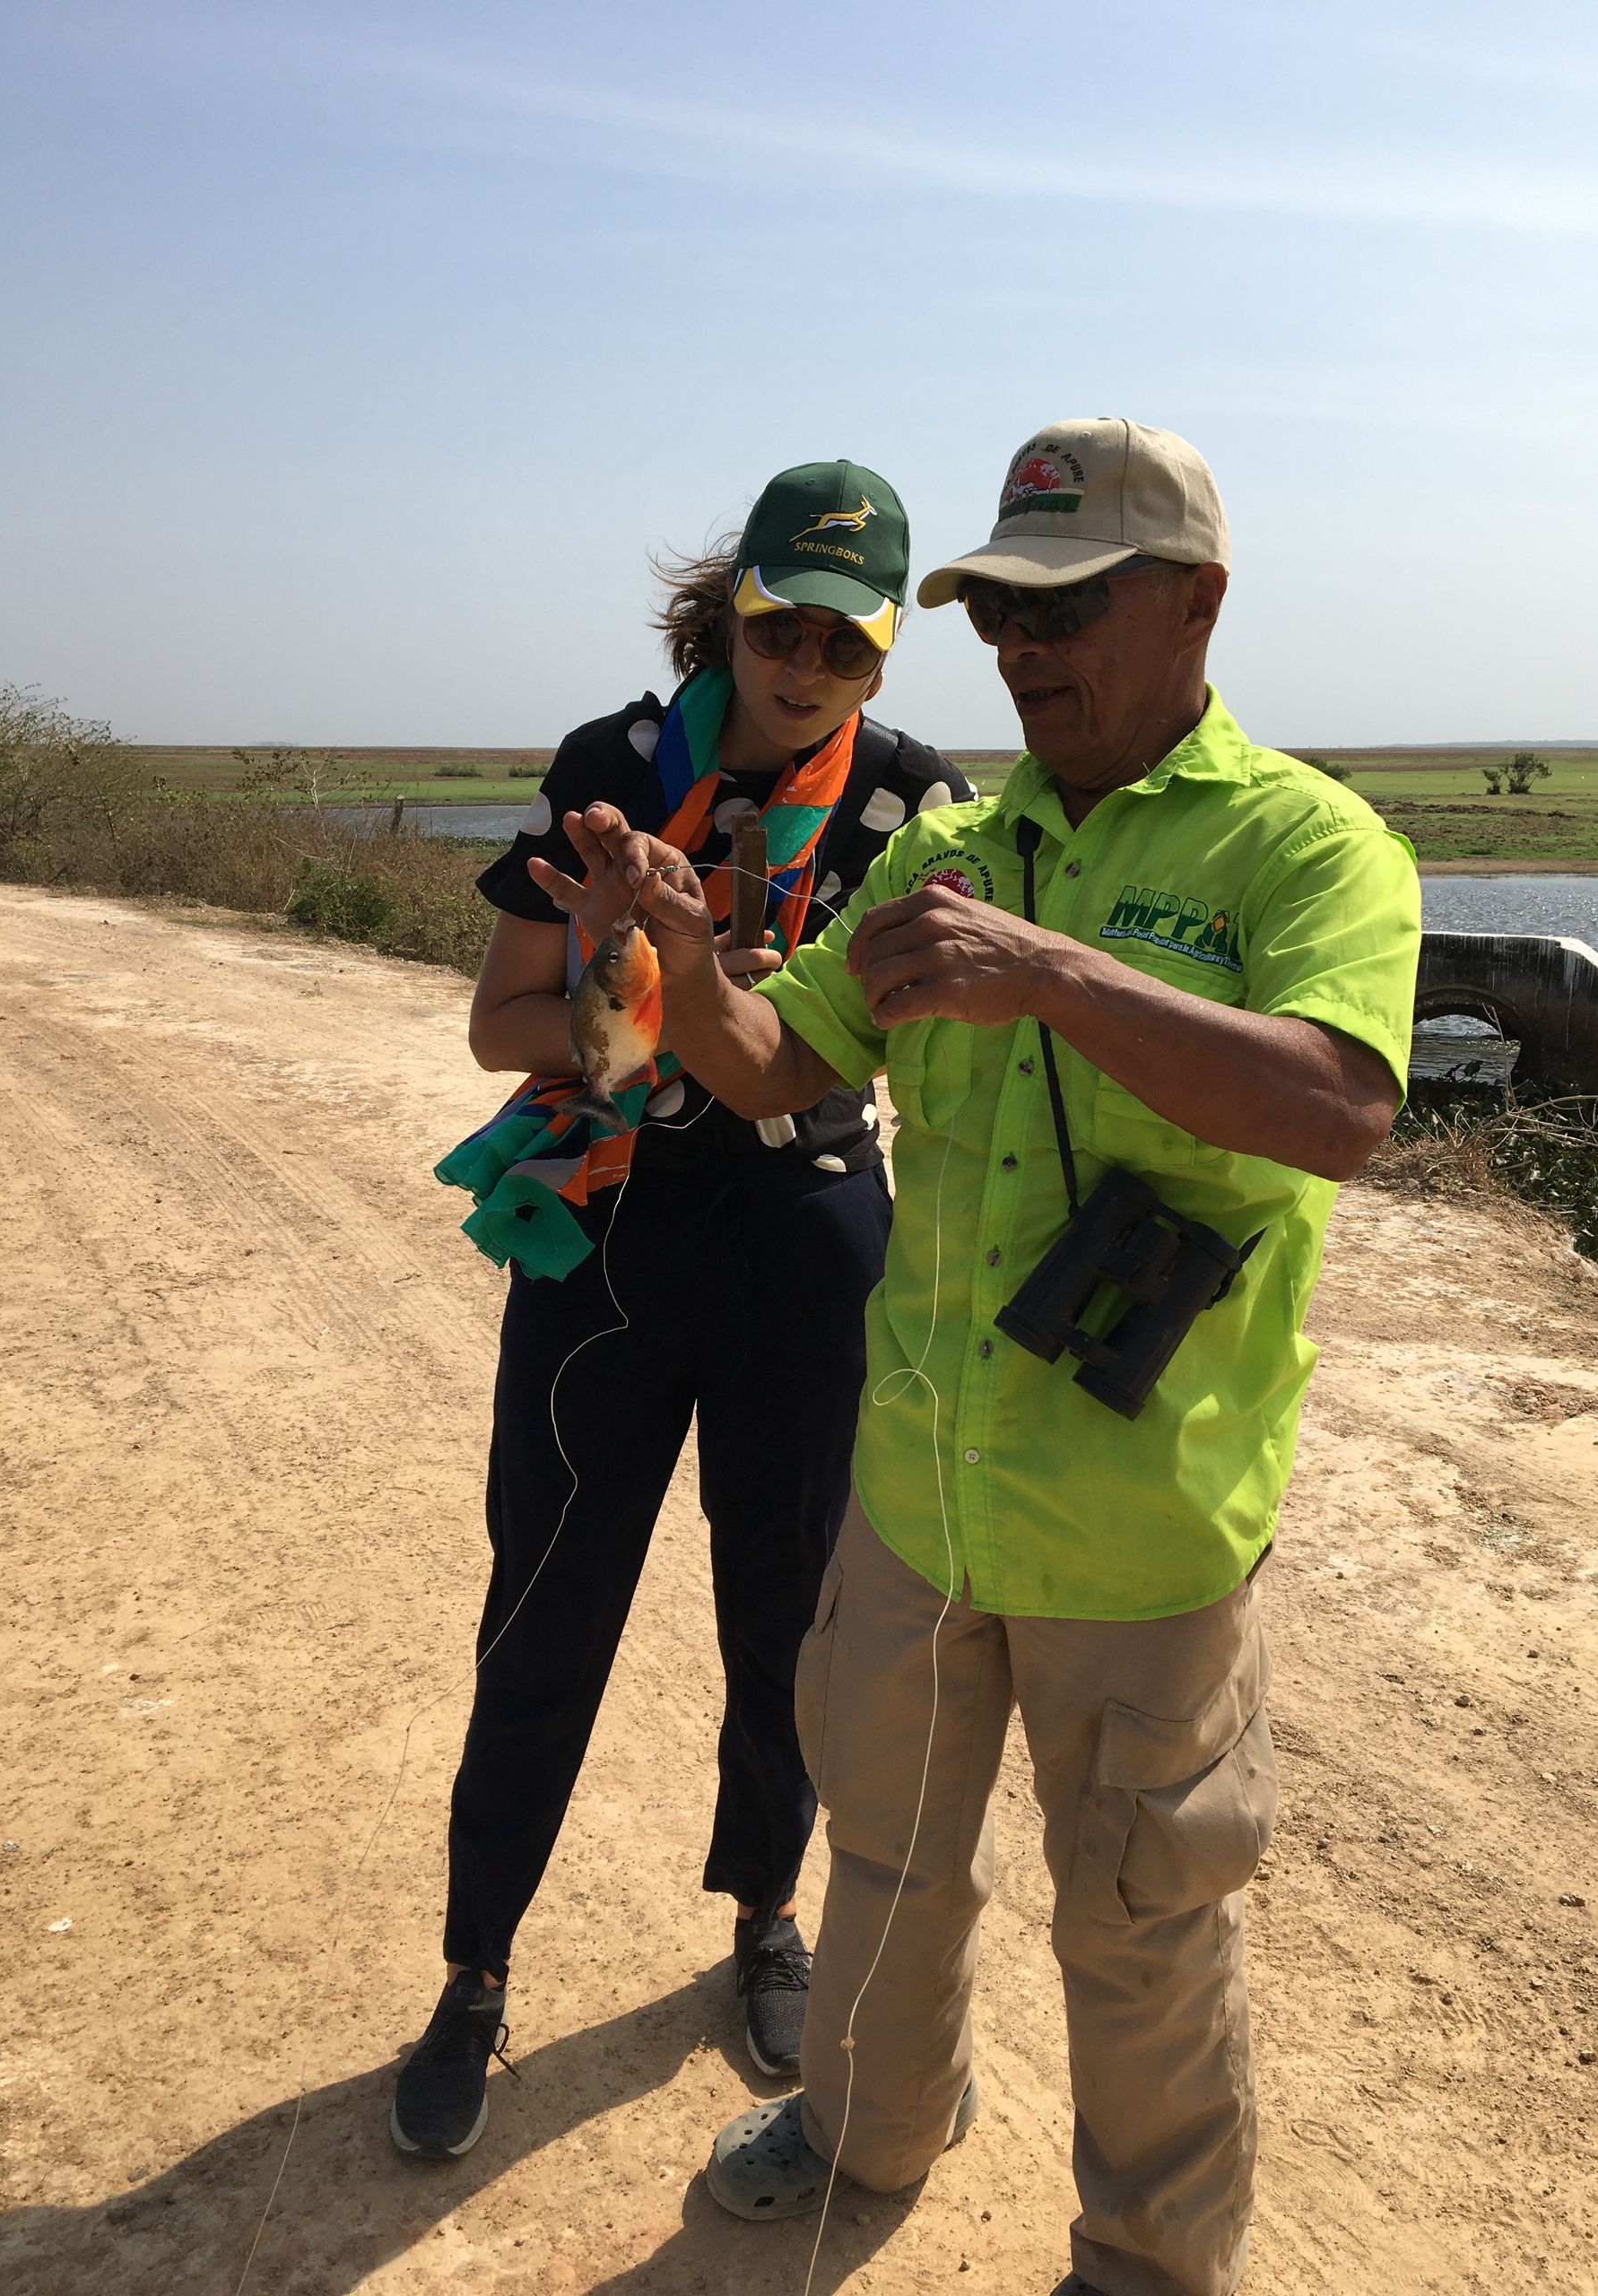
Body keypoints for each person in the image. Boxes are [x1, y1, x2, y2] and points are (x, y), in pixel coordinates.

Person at [563, 420, 1422, 2294]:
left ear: (1195, 602)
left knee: (1142, 1922)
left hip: (1142, 1525)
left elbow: (1345, 1108)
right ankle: (865, 2123)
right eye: (998, 611)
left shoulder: (1309, 844)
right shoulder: (947, 852)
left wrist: (1056, 976)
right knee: (882, 1851)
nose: (1025, 647)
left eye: (1070, 603)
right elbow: (779, 1060)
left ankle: (1148, 2258)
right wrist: (684, 956)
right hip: (920, 1491)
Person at [391, 461, 974, 2161]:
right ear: (731, 608)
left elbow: (926, 1068)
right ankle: (475, 1970)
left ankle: (763, 1920)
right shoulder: (606, 778)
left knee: (791, 1612)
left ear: (878, 663)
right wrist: (610, 981)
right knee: (547, 1600)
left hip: (809, 1240)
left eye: (844, 647)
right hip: (614, 1233)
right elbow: (497, 1027)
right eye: (778, 626)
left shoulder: (917, 809)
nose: (803, 669)